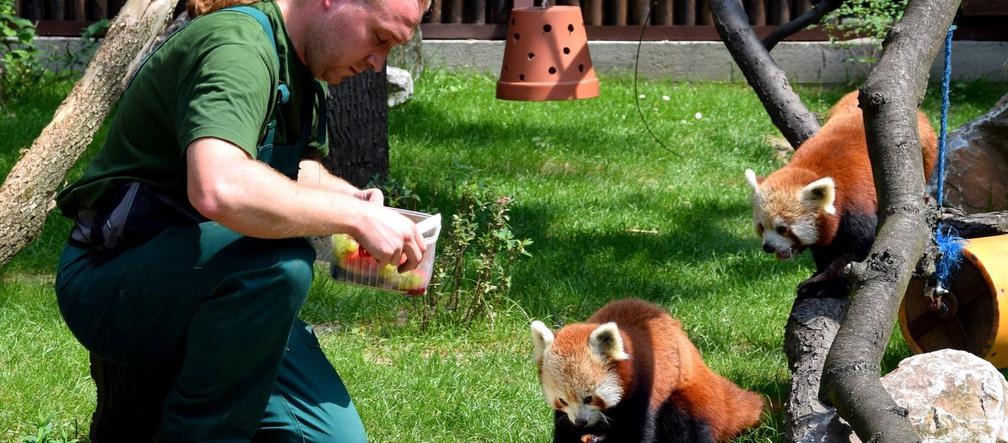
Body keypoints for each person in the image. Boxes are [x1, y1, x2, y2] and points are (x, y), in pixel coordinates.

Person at [53, 0, 429, 440]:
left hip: (217, 281)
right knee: (278, 264)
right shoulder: (237, 46)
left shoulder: (304, 65)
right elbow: (219, 187)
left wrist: (353, 199)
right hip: (114, 281)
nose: (377, 63)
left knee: (334, 438)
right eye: (380, 38)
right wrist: (354, 217)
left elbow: (287, 168)